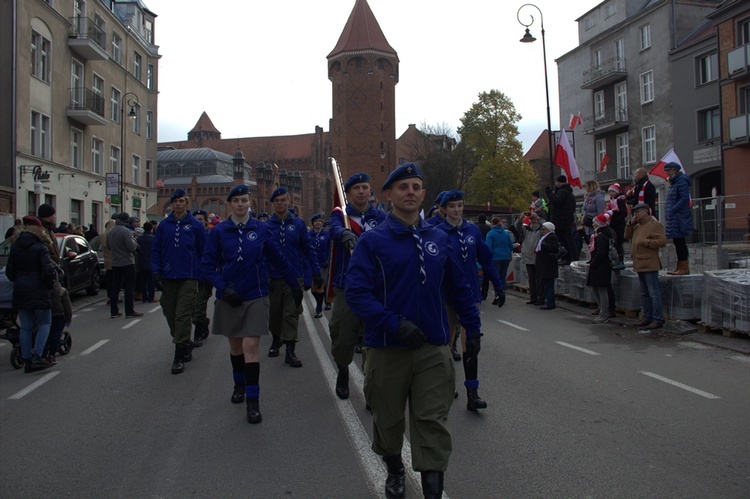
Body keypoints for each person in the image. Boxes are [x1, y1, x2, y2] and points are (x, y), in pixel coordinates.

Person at [345, 163, 481, 499]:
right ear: (388, 195)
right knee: (388, 420)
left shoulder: (439, 238)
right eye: (403, 186)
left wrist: (473, 329)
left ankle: (433, 489)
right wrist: (393, 323)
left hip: (432, 347)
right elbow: (356, 292)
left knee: (432, 419)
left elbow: (458, 287)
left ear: (423, 195)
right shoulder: (373, 241)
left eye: (416, 187)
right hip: (388, 346)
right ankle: (394, 469)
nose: (410, 192)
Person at [201, 185, 303, 423]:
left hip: (255, 295)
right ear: (230, 204)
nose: (240, 204)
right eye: (236, 200)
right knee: (235, 347)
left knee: (250, 347)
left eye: (244, 200)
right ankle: (239, 384)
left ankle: (253, 401)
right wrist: (223, 287)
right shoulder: (219, 232)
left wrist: (294, 284)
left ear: (250, 203)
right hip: (229, 297)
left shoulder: (261, 228)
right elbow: (207, 265)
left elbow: (278, 258)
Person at [435, 189, 503, 411]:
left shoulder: (472, 230)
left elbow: (486, 259)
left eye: (460, 205)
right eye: (452, 206)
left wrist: (498, 285)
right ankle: (446, 385)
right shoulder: (437, 232)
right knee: (446, 342)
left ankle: (472, 393)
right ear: (444, 209)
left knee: (472, 343)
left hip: (470, 293)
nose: (457, 210)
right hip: (446, 295)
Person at [328, 172, 387, 398]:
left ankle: (371, 385)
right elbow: (333, 228)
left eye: (365, 187)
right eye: (356, 188)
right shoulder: (341, 216)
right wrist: (343, 233)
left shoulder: (381, 218)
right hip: (348, 284)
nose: (361, 191)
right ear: (349, 193)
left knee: (374, 335)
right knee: (342, 332)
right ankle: (343, 368)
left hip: (375, 285)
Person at [152, 189, 207, 374]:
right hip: (168, 277)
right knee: (169, 312)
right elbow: (156, 250)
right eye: (175, 201)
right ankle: (186, 342)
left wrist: (200, 272)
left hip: (189, 277)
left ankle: (178, 354)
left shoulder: (195, 225)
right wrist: (156, 271)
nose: (178, 204)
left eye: (181, 201)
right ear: (172, 203)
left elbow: (203, 251)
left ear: (186, 203)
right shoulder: (164, 226)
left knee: (183, 315)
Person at [265, 187, 322, 367]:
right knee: (274, 315)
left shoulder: (297, 224)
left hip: (294, 276)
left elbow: (307, 249)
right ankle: (276, 338)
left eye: (283, 200)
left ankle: (290, 350)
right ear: (272, 204)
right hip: (273, 277)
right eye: (277, 200)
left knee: (291, 314)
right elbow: (261, 254)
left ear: (289, 202)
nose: (280, 203)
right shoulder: (266, 226)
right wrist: (264, 275)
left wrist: (314, 271)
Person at [5, 216, 56, 372]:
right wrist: (48, 284)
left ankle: (26, 358)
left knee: (25, 327)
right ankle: (37, 355)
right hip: (39, 289)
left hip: (20, 290)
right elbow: (48, 271)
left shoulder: (15, 246)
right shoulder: (40, 247)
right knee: (45, 322)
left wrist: (20, 280)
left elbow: (9, 272)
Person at [625, 203, 667, 329]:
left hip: (649, 263)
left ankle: (657, 318)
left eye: (637, 212)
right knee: (644, 293)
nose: (635, 215)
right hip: (639, 262)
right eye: (634, 213)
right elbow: (627, 236)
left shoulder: (655, 225)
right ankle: (647, 316)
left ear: (646, 211)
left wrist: (646, 242)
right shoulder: (637, 226)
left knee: (654, 293)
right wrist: (630, 224)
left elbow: (662, 241)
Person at [107, 212, 142, 319]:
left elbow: (108, 247)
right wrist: (136, 244)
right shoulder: (126, 231)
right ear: (126, 221)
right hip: (127, 262)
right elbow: (131, 247)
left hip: (115, 262)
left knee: (115, 287)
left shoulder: (110, 231)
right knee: (129, 287)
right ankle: (129, 311)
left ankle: (114, 311)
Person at [663, 162, 693, 275]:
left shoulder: (681, 181)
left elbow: (684, 198)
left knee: (680, 242)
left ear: (675, 170)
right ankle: (680, 266)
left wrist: (673, 209)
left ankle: (684, 267)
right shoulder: (674, 182)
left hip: (679, 216)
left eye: (668, 170)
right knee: (677, 241)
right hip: (674, 217)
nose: (666, 173)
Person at [587, 213, 615, 324]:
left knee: (602, 290)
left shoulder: (602, 236)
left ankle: (604, 313)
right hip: (597, 265)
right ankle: (602, 310)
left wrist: (594, 263)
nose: (593, 224)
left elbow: (601, 253)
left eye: (595, 222)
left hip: (601, 267)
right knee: (595, 289)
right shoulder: (597, 236)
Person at [191, 210, 213, 347]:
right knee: (191, 308)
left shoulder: (211, 236)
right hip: (190, 276)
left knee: (199, 306)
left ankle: (198, 334)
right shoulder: (189, 235)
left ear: (206, 221)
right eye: (195, 219)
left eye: (200, 219)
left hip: (204, 277)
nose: (198, 222)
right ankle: (204, 322)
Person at [546, 176, 577, 264]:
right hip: (565, 219)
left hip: (561, 220)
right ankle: (572, 255)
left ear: (559, 182)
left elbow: (556, 201)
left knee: (563, 239)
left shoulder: (562, 192)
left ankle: (567, 256)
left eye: (557, 182)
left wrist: (549, 192)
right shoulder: (568, 192)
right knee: (568, 238)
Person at [516, 212, 544, 305]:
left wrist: (538, 217)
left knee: (539, 279)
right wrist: (520, 218)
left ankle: (540, 297)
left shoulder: (541, 230)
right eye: (531, 219)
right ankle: (533, 297)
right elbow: (517, 227)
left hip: (538, 257)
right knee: (531, 279)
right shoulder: (526, 230)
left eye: (534, 219)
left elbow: (546, 226)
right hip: (528, 257)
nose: (532, 221)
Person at [485, 217, 515, 304]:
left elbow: (488, 248)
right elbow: (511, 245)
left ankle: (498, 295)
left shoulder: (490, 234)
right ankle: (503, 293)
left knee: (496, 278)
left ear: (492, 223)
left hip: (496, 257)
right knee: (503, 277)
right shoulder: (506, 233)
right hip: (505, 257)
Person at [308, 213, 330, 319]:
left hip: (322, 264)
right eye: (316, 221)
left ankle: (319, 308)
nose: (318, 223)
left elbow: (330, 249)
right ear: (312, 223)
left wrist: (327, 260)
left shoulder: (326, 235)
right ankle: (320, 301)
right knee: (313, 288)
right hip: (312, 264)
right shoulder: (308, 235)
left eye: (320, 221)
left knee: (320, 285)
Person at [535, 222, 560, 310]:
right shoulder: (545, 237)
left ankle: (550, 303)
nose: (542, 231)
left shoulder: (551, 237)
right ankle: (548, 301)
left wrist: (544, 245)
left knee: (548, 285)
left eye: (544, 229)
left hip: (548, 265)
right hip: (545, 265)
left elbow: (554, 248)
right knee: (546, 284)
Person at [606, 183, 628, 266]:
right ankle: (615, 259)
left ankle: (620, 260)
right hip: (612, 224)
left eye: (612, 191)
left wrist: (616, 220)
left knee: (618, 243)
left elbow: (623, 213)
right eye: (610, 192)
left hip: (618, 225)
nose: (611, 193)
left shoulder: (620, 200)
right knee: (614, 243)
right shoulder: (611, 201)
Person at [582, 180, 606, 245]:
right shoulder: (587, 197)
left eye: (587, 186)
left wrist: (597, 223)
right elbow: (585, 210)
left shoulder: (598, 197)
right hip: (587, 224)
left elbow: (600, 211)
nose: (586, 188)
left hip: (594, 224)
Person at [138, 222, 156, 304]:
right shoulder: (154, 238)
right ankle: (151, 297)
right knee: (151, 281)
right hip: (151, 262)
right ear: (151, 229)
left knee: (143, 281)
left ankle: (144, 297)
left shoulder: (140, 238)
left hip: (142, 261)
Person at [476, 214, 493, 301]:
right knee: (486, 273)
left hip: (476, 251)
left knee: (476, 272)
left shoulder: (476, 227)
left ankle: (476, 291)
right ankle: (484, 292)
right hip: (485, 251)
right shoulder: (488, 228)